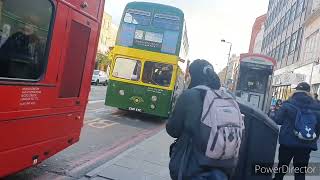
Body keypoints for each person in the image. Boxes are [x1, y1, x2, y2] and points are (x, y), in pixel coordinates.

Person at [167, 59, 237, 180]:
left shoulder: (189, 96)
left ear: (193, 75)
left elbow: (173, 130)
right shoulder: (228, 97)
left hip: (191, 166)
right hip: (222, 168)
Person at [273, 82, 320, 180]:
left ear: (296, 90)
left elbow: (278, 120)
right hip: (306, 143)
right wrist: (313, 138)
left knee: (281, 170)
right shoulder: (317, 106)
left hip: (287, 142)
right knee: (300, 173)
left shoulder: (288, 103)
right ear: (309, 92)